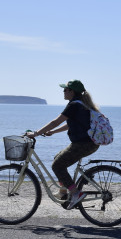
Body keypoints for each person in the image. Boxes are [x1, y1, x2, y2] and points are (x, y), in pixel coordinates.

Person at [28, 80, 100, 209]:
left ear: (72, 92)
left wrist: (36, 133)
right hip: (88, 143)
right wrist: (53, 132)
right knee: (58, 158)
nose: (63, 92)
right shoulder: (82, 104)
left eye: (65, 90)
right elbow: (70, 124)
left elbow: (55, 121)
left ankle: (75, 193)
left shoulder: (74, 105)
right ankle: (63, 191)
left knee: (57, 166)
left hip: (83, 144)